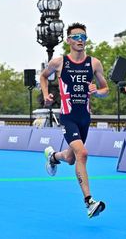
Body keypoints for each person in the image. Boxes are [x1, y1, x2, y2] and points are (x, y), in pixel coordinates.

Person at [40, 22, 109, 218]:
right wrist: (46, 95)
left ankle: (53, 157)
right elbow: (44, 77)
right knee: (83, 153)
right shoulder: (59, 62)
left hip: (85, 118)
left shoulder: (94, 63)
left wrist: (98, 91)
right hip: (68, 116)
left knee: (71, 158)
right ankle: (89, 202)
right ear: (68, 40)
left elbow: (105, 89)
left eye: (83, 37)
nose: (80, 40)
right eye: (76, 37)